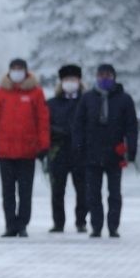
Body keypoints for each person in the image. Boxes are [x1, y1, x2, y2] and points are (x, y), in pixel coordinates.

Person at [69, 63, 138, 238]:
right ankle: (97, 226)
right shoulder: (87, 98)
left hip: (115, 153)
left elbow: (131, 126)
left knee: (114, 193)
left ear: (114, 77)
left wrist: (131, 148)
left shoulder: (124, 99)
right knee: (93, 193)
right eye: (101, 75)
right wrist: (78, 147)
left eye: (108, 75)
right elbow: (78, 125)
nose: (104, 78)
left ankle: (113, 226)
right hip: (91, 153)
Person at [0, 59, 50, 238]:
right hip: (5, 150)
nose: (17, 72)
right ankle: (10, 224)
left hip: (27, 151)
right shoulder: (0, 93)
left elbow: (42, 121)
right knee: (8, 192)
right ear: (9, 71)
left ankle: (22, 224)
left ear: (26, 72)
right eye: (14, 69)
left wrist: (44, 145)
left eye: (20, 69)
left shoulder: (36, 93)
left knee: (25, 192)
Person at [47, 63, 88, 234]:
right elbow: (46, 125)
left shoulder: (86, 101)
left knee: (83, 189)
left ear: (79, 81)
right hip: (59, 151)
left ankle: (81, 221)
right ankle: (58, 222)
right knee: (57, 190)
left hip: (80, 151)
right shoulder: (52, 103)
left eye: (73, 79)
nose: (70, 82)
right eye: (66, 80)